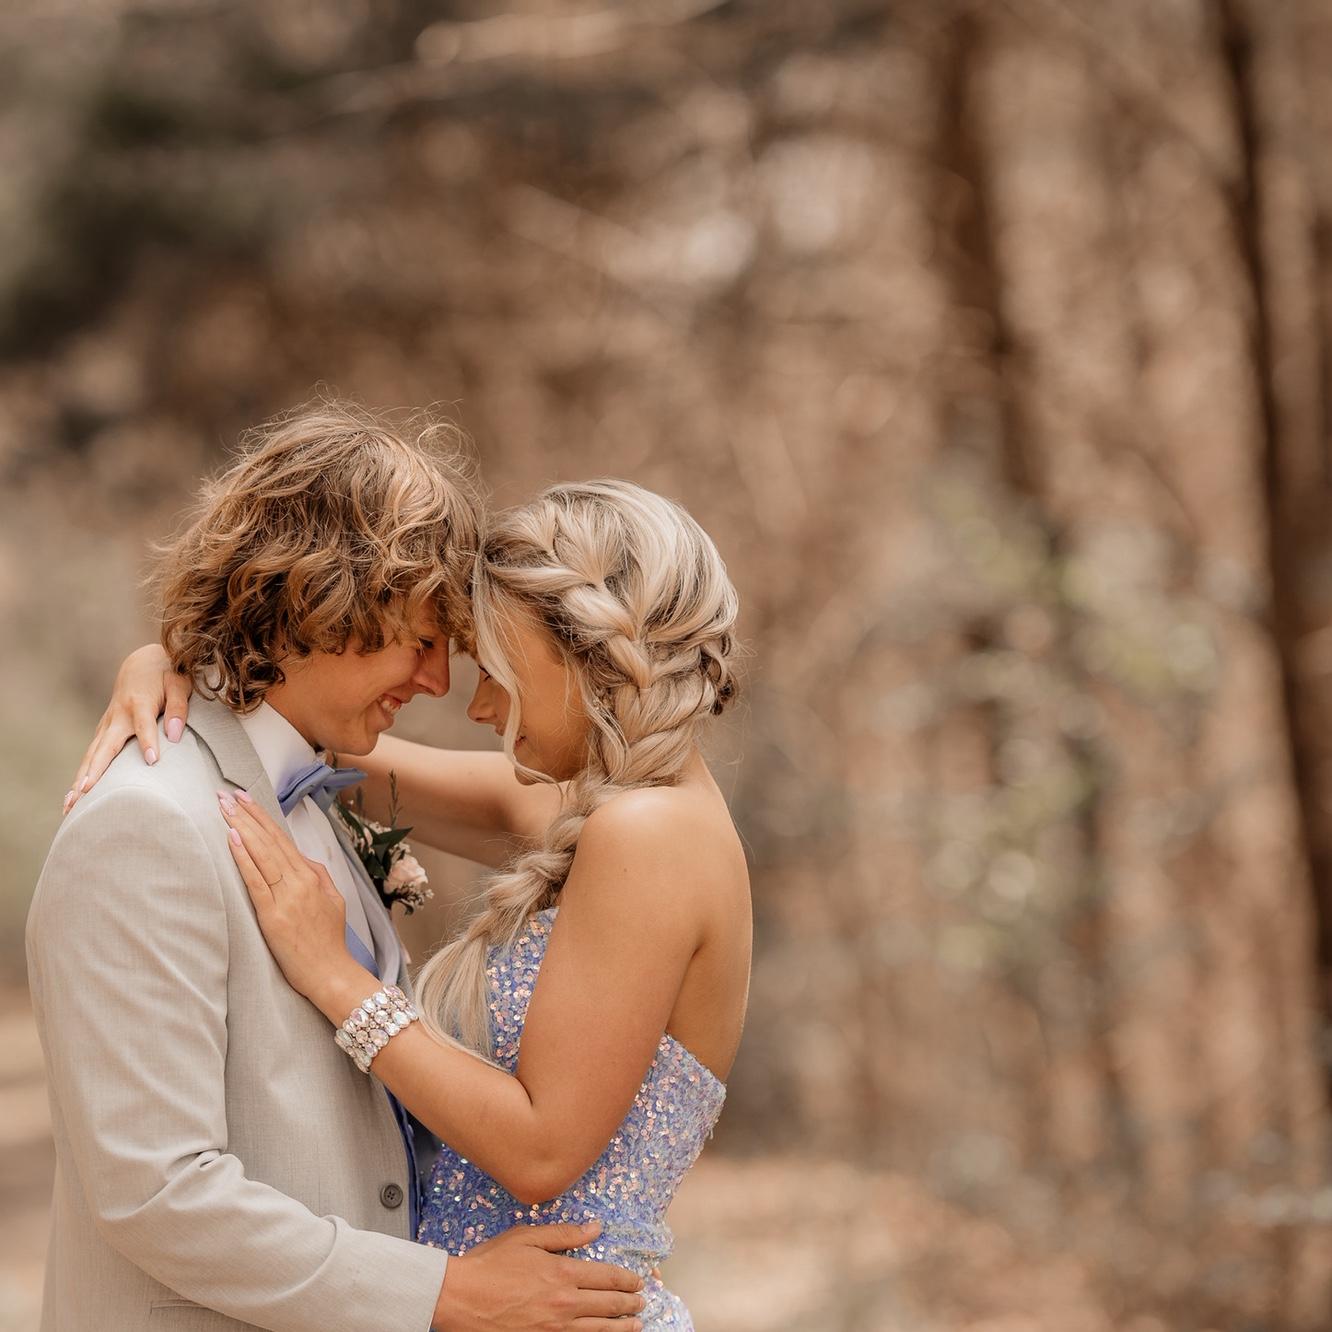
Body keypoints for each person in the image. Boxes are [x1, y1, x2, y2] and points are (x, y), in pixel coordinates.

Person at [79, 478, 752, 1330]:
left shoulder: (648, 835)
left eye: (498, 670)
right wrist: (178, 668)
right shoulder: (622, 814)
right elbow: (328, 746)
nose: (480, 705)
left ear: (587, 653)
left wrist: (338, 979)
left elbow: (541, 1151)